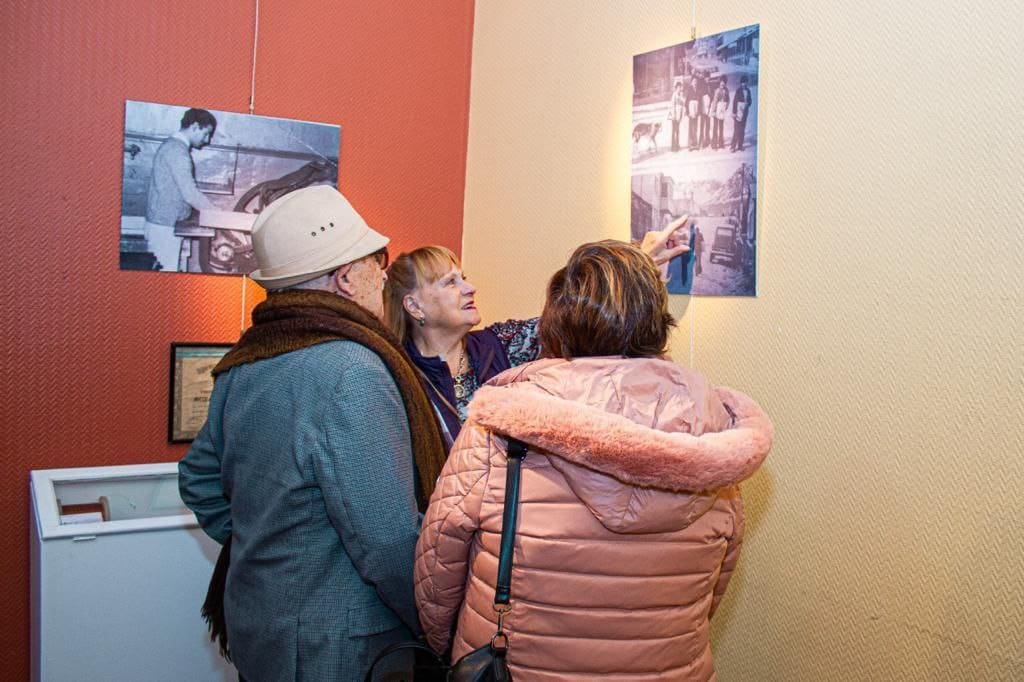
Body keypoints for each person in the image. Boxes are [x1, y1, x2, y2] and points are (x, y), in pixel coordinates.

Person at [414, 240, 773, 680]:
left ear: (555, 324)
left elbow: (437, 574)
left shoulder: (498, 426)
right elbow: (714, 584)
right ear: (658, 322)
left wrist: (450, 650)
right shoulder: (712, 430)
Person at [178, 185, 447, 681]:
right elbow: (387, 542)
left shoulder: (245, 361)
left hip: (260, 622)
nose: (383, 274)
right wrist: (439, 627)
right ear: (347, 278)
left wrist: (269, 546)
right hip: (337, 643)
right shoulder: (351, 369)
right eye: (377, 261)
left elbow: (198, 479)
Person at [382, 219, 692, 448]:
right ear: (414, 306)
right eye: (450, 283)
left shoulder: (500, 345)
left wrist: (638, 262)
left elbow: (581, 316)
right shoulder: (395, 377)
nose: (469, 288)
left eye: (463, 278)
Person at [145, 107, 219, 271]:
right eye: (206, 133)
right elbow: (190, 193)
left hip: (162, 222)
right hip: (165, 226)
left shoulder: (172, 147)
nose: (207, 140)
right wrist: (217, 214)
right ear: (194, 126)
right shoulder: (178, 152)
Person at [731, 75, 753, 152]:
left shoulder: (748, 91)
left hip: (744, 113)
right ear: (741, 83)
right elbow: (734, 102)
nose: (744, 84)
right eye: (743, 83)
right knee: (736, 129)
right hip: (737, 113)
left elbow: (750, 101)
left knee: (742, 130)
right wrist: (734, 112)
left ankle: (740, 146)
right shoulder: (738, 91)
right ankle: (733, 146)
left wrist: (748, 103)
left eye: (745, 83)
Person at [711, 77, 730, 149]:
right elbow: (715, 101)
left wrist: (726, 106)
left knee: (721, 127)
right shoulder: (717, 90)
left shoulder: (726, 90)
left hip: (722, 110)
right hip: (716, 110)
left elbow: (728, 99)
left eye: (724, 82)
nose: (723, 83)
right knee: (715, 127)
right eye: (721, 82)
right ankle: (714, 144)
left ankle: (721, 143)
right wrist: (713, 111)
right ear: (719, 83)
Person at [669, 80, 685, 152]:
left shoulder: (680, 95)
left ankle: (677, 145)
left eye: (680, 87)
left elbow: (683, 104)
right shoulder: (674, 95)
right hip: (675, 116)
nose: (680, 89)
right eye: (678, 87)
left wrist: (681, 116)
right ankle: (673, 147)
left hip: (678, 116)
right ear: (676, 88)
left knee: (677, 131)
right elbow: (673, 106)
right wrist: (674, 116)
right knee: (674, 131)